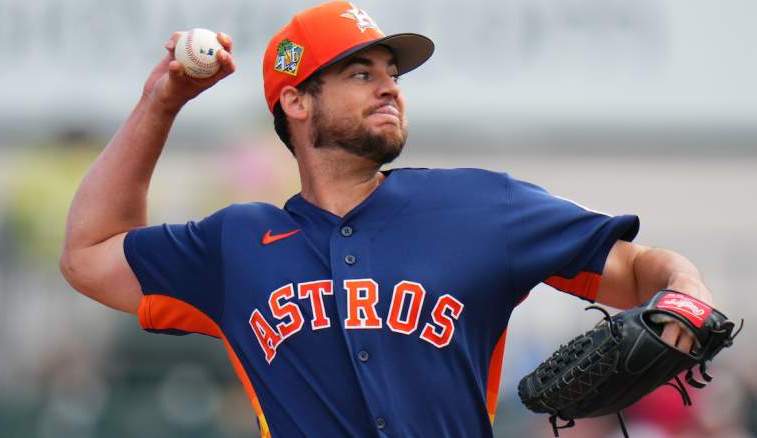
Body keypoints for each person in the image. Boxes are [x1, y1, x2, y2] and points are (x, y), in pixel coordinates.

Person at [60, 2, 714, 436]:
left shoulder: (478, 207)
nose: (390, 86)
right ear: (297, 100)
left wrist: (686, 292)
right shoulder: (235, 244)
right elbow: (89, 254)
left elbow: (633, 270)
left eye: (392, 72)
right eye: (359, 71)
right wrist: (162, 101)